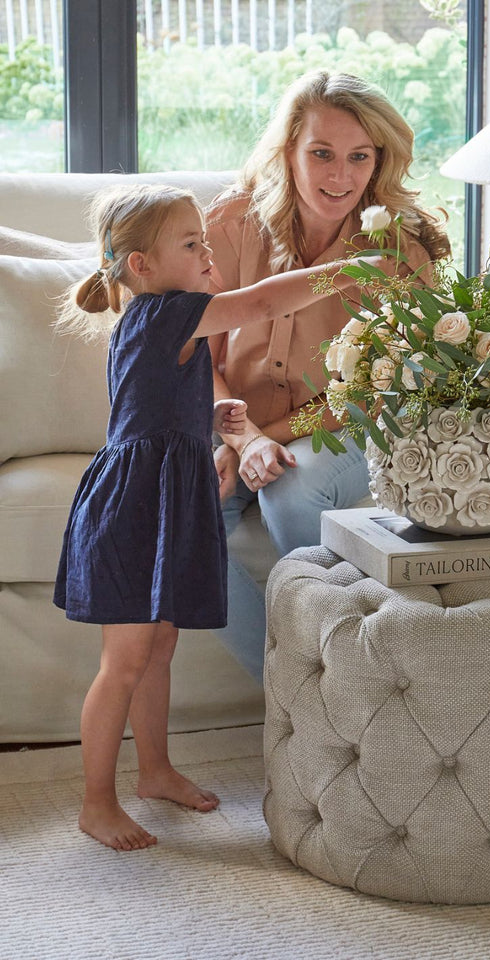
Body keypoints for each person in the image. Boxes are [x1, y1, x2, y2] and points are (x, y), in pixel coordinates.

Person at [53, 182, 368, 852]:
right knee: (126, 659)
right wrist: (347, 271)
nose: (206, 252)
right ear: (142, 265)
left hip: (162, 495)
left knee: (159, 645)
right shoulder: (167, 312)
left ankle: (156, 769)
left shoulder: (160, 322)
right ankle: (95, 802)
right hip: (136, 509)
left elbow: (147, 412)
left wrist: (210, 420)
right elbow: (259, 302)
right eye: (191, 243)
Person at [206, 70, 451, 682]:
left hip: (337, 422)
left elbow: (368, 391)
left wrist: (266, 437)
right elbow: (194, 360)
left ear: (378, 161)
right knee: (182, 526)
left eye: (358, 157)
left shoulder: (398, 252)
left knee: (291, 489)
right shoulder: (229, 225)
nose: (339, 176)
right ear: (288, 150)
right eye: (321, 153)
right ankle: (297, 690)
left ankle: (350, 669)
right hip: (227, 420)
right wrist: (243, 439)